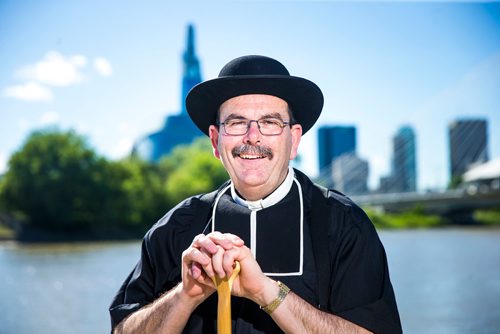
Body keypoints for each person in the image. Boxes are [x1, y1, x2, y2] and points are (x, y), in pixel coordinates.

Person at [109, 55, 402, 333]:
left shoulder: (343, 224)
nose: (253, 136)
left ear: (294, 139)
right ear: (215, 140)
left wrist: (266, 291)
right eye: (236, 123)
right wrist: (184, 294)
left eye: (270, 122)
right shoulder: (174, 228)